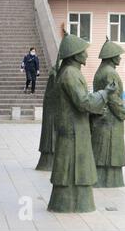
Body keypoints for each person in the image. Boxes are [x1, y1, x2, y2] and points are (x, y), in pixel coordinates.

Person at [47, 34, 115, 213]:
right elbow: (83, 102)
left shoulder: (71, 72)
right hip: (73, 131)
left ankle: (76, 203)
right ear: (75, 54)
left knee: (75, 169)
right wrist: (104, 94)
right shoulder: (70, 73)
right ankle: (70, 204)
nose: (86, 54)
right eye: (83, 51)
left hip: (76, 128)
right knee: (71, 168)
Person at [91, 38, 125, 188]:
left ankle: (105, 180)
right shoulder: (109, 73)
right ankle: (107, 181)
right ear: (112, 56)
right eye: (118, 55)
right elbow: (112, 97)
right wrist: (123, 112)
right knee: (108, 152)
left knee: (104, 151)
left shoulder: (102, 71)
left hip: (103, 117)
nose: (120, 57)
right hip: (109, 119)